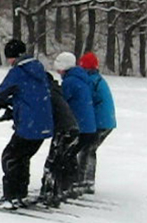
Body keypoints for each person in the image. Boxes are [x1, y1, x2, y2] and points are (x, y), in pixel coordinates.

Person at [0, 39, 53, 210]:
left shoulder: (19, 71)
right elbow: (28, 95)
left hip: (29, 125)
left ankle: (10, 196)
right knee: (22, 158)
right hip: (43, 124)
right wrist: (13, 106)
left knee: (10, 157)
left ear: (12, 57)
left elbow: (3, 90)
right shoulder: (39, 70)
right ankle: (19, 194)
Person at [53, 52, 97, 199]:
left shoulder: (70, 82)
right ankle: (70, 185)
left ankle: (63, 186)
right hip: (88, 127)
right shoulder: (82, 79)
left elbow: (61, 101)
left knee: (65, 156)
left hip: (79, 127)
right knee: (70, 155)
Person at [77, 52, 117, 194]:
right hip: (107, 121)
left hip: (101, 123)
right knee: (89, 149)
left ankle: (85, 181)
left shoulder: (91, 81)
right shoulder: (97, 79)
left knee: (87, 150)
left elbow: (87, 100)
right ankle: (86, 180)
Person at [39, 72, 79, 207]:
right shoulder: (55, 91)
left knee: (53, 161)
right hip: (72, 128)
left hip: (63, 130)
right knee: (61, 161)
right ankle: (61, 190)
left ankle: (49, 193)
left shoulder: (48, 93)